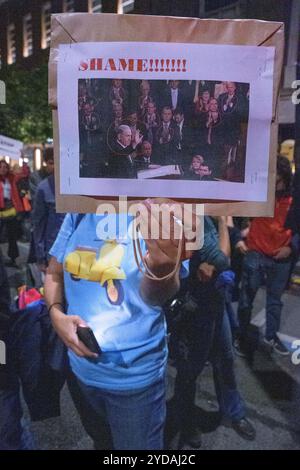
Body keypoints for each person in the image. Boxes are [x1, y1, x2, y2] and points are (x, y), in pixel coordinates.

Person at [44, 201, 190, 450]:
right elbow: (53, 273)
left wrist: (160, 269)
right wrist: (56, 315)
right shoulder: (79, 210)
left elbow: (156, 297)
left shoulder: (161, 210)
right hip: (81, 373)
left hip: (134, 381)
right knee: (101, 442)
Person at [169, 217, 255, 448]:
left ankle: (234, 412)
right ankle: (185, 421)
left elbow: (226, 249)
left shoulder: (212, 210)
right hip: (193, 304)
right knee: (190, 369)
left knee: (226, 359)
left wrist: (226, 227)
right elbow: (221, 257)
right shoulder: (189, 212)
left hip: (216, 299)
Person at [236, 156, 294, 356]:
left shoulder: (293, 198)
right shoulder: (260, 193)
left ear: (283, 174)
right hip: (256, 252)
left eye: (273, 172)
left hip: (281, 257)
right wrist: (240, 238)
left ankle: (271, 335)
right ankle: (241, 335)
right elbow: (241, 214)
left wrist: (292, 248)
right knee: (246, 298)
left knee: (274, 301)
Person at [0, 160, 26, 267]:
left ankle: (13, 258)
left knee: (12, 237)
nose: (3, 169)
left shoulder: (10, 179)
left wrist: (23, 163)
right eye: (1, 167)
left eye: (5, 167)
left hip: (11, 211)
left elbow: (22, 174)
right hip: (1, 211)